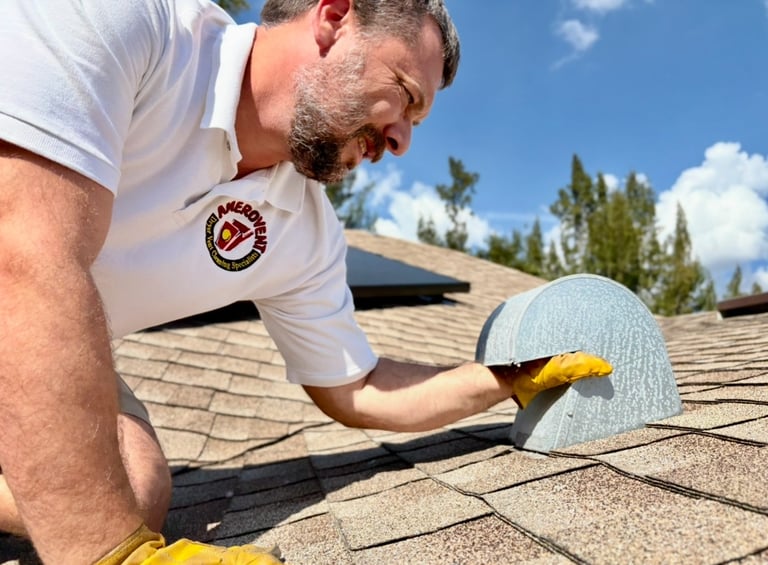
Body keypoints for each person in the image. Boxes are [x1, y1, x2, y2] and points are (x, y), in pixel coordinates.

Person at [0, 0, 612, 563]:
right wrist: (111, 552)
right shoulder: (127, 21)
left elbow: (361, 388)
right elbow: (24, 251)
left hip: (27, 334)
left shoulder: (302, 229)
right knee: (93, 514)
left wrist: (507, 378)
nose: (400, 141)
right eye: (405, 95)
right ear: (335, 16)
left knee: (129, 487)